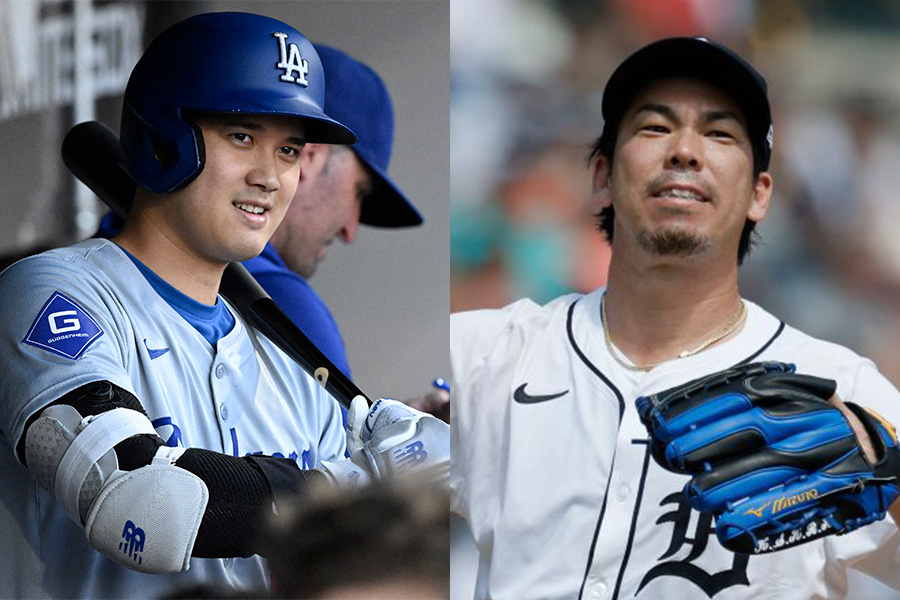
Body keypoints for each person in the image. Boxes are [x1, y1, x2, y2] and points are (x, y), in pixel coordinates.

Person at [0, 12, 447, 599]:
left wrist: (415, 491)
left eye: (288, 150)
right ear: (166, 136)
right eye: (242, 137)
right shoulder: (54, 292)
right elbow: (137, 501)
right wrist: (344, 490)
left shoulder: (291, 362)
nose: (269, 177)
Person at [450, 37, 900, 600]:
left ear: (761, 193)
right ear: (601, 177)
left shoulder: (846, 390)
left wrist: (888, 474)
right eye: (655, 128)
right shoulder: (486, 356)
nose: (685, 151)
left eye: (719, 134)